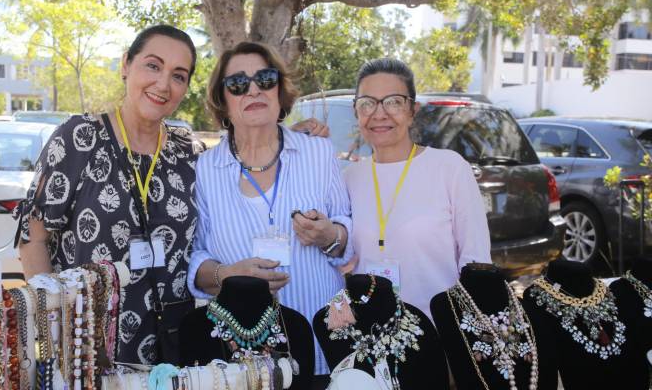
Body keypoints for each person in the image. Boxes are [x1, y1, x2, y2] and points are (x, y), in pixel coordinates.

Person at [14, 24, 202, 365]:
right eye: (153, 65)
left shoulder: (188, 152)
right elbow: (33, 239)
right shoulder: (80, 138)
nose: (163, 84)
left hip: (174, 350)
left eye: (179, 75)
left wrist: (294, 134)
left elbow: (249, 158)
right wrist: (56, 330)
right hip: (88, 347)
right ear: (126, 65)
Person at [187, 41, 354, 382]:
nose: (253, 90)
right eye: (238, 84)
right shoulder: (204, 169)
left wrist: (329, 235)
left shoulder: (318, 153)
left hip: (325, 344)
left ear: (279, 89)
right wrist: (228, 274)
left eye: (265, 78)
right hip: (242, 356)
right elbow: (195, 257)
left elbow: (346, 235)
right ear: (223, 101)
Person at [342, 58, 491, 320]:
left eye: (393, 102)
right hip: (374, 335)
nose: (379, 114)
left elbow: (476, 260)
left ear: (413, 110)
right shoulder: (349, 177)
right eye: (367, 103)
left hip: (440, 332)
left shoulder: (449, 168)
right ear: (356, 112)